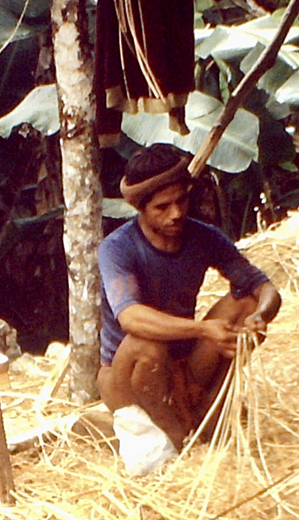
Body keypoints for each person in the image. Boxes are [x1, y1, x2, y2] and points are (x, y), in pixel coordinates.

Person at [99, 145, 282, 474]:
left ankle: (203, 405)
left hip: (183, 366)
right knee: (145, 342)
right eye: (162, 207)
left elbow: (263, 287)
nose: (176, 214)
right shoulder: (117, 248)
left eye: (181, 201)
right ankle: (179, 435)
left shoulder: (204, 237)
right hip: (126, 374)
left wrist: (261, 315)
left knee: (245, 303)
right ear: (141, 208)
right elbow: (130, 318)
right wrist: (202, 329)